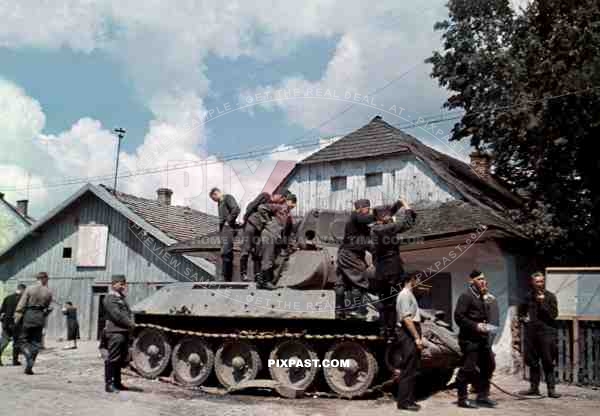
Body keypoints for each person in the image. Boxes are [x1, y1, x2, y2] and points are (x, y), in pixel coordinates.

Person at [335, 198, 404, 319]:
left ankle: (340, 310)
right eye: (368, 209)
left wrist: (395, 207)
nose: (369, 211)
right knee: (360, 280)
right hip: (351, 255)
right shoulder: (356, 216)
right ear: (362, 208)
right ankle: (355, 309)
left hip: (346, 254)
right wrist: (390, 211)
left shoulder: (359, 224)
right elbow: (374, 218)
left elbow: (370, 241)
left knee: (342, 283)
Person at [370, 200, 417, 338]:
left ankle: (384, 329)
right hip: (392, 270)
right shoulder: (386, 229)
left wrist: (398, 204)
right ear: (383, 217)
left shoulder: (374, 229)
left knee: (384, 302)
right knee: (391, 301)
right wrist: (406, 206)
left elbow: (390, 214)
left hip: (380, 271)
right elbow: (408, 223)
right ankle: (391, 331)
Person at [453, 270, 497, 408]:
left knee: (489, 365)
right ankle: (462, 398)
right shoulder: (466, 296)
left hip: (482, 339)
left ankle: (482, 396)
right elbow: (459, 317)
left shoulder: (482, 296)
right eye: (479, 279)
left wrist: (488, 327)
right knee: (468, 368)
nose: (483, 281)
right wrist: (475, 325)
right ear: (471, 281)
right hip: (469, 339)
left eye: (484, 279)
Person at [518, 271, 561, 398]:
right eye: (537, 281)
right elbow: (521, 311)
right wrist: (522, 318)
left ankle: (551, 389)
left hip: (547, 333)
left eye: (542, 281)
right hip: (532, 333)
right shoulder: (528, 296)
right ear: (532, 283)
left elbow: (554, 315)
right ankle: (534, 388)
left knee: (548, 361)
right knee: (533, 361)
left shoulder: (550, 296)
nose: (540, 284)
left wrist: (543, 303)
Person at [240, 190, 291, 281]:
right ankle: (243, 273)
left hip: (260, 229)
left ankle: (257, 276)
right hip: (252, 225)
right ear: (278, 195)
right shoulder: (266, 196)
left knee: (257, 252)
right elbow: (251, 206)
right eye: (282, 198)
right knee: (246, 249)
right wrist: (246, 221)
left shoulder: (275, 206)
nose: (282, 201)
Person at [14, 272, 53, 375]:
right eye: (47, 279)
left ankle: (27, 354)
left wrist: (17, 318)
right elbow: (47, 308)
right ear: (44, 279)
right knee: (36, 343)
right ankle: (29, 367)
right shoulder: (48, 292)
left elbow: (21, 304)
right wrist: (45, 314)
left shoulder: (30, 289)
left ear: (37, 279)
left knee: (22, 340)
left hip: (29, 315)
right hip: (40, 317)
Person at [394, 273, 423, 411]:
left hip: (411, 331)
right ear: (411, 280)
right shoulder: (405, 294)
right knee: (408, 369)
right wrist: (416, 337)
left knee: (413, 368)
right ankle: (403, 402)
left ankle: (409, 400)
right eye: (418, 279)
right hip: (407, 332)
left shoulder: (409, 294)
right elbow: (406, 319)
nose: (420, 282)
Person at [256, 195, 297, 290]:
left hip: (274, 236)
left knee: (271, 258)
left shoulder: (287, 213)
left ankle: (261, 282)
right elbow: (261, 208)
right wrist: (267, 222)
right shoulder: (279, 207)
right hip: (269, 235)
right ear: (288, 201)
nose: (294, 205)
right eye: (293, 202)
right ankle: (266, 282)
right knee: (268, 258)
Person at [102, 274, 135, 393]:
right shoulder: (110, 298)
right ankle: (109, 384)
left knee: (120, 359)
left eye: (124, 284)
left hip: (123, 332)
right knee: (113, 358)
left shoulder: (121, 298)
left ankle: (117, 382)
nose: (123, 286)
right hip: (115, 331)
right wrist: (131, 324)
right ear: (114, 284)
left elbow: (126, 313)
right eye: (121, 284)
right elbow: (117, 315)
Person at [209, 187, 241, 282]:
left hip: (228, 228)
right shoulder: (220, 202)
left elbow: (236, 209)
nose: (215, 201)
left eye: (214, 199)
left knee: (226, 251)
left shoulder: (227, 198)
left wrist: (229, 221)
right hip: (223, 229)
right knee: (225, 252)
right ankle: (226, 276)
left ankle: (225, 276)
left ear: (216, 193)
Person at [0, 283, 26, 366]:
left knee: (4, 341)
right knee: (17, 342)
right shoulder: (23, 300)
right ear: (23, 290)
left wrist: (3, 321)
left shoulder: (7, 298)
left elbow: (1, 311)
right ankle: (15, 361)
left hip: (6, 323)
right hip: (17, 324)